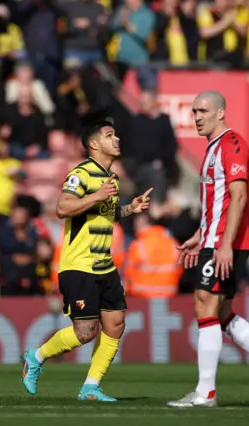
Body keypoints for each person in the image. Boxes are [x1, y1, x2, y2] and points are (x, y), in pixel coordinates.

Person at [167, 91, 249, 409]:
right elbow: (217, 204)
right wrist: (201, 234)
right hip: (214, 239)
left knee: (205, 306)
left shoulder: (232, 145)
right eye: (194, 111)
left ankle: (206, 393)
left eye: (203, 110)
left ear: (221, 113)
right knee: (220, 313)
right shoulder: (212, 149)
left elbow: (239, 197)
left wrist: (225, 245)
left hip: (226, 243)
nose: (196, 116)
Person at [21, 118, 153, 401]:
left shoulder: (111, 178)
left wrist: (130, 208)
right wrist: (96, 195)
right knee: (85, 332)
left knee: (116, 323)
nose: (116, 139)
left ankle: (90, 388)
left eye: (116, 134)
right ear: (94, 144)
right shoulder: (81, 173)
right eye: (109, 135)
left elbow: (106, 212)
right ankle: (36, 357)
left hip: (104, 263)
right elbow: (62, 207)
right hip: (79, 264)